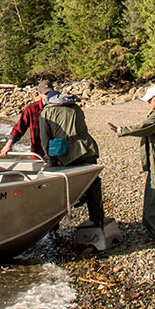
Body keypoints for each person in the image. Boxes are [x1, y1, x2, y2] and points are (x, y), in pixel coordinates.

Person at [107, 86, 155, 240]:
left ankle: (151, 231)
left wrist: (121, 130)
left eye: (150, 100)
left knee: (154, 196)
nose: (149, 103)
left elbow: (143, 128)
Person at [38, 91, 103, 226]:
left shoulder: (47, 113)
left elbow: (45, 140)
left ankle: (54, 225)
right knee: (93, 184)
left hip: (68, 154)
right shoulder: (75, 107)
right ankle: (98, 220)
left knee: (65, 188)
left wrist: (51, 160)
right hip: (88, 149)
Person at [0, 80, 54, 159]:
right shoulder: (31, 109)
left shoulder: (60, 108)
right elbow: (19, 128)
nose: (48, 96)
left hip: (57, 154)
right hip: (38, 155)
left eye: (50, 93)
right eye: (46, 94)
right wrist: (8, 145)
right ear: (39, 94)